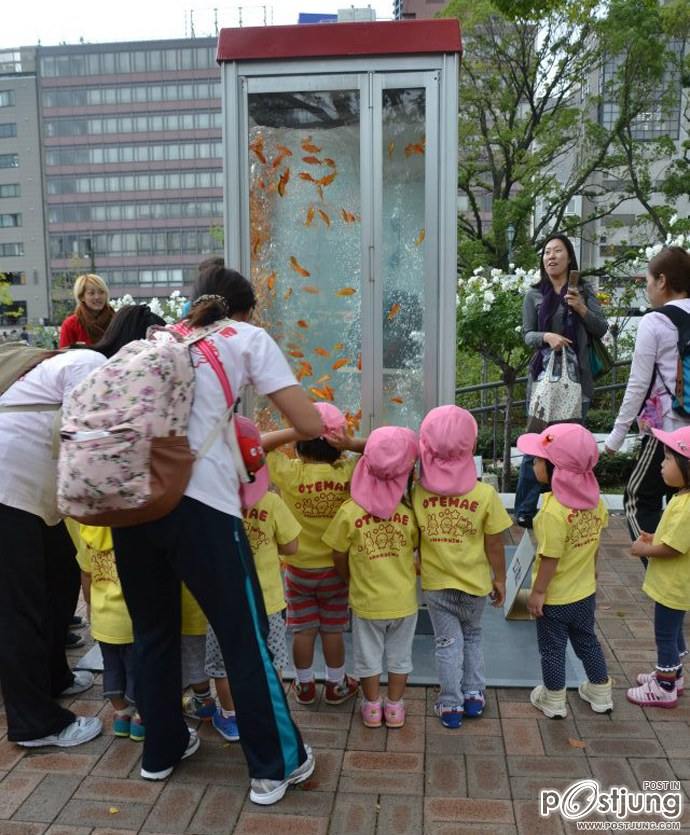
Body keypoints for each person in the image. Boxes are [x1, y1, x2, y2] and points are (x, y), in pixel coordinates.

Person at [111, 265, 323, 805]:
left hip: (134, 504)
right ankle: (275, 766)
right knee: (243, 636)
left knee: (153, 632)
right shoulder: (244, 337)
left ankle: (160, 753)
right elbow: (310, 422)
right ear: (245, 310)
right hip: (201, 506)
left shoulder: (159, 339)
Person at [0, 304, 160, 748]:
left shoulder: (78, 361)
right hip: (9, 488)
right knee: (21, 607)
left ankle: (52, 674)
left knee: (61, 577)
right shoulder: (92, 363)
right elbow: (90, 439)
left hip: (30, 491)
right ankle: (33, 722)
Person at [414, 405, 512, 729]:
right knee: (472, 637)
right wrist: (500, 579)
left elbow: (414, 536)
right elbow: (495, 544)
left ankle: (450, 704)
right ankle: (473, 695)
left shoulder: (418, 493)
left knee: (446, 643)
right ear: (471, 447)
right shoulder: (485, 494)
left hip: (437, 585)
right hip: (475, 586)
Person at [262, 403, 366, 707]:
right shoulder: (347, 472)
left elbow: (258, 446)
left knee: (303, 631)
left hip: (297, 570)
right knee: (333, 630)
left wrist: (296, 428)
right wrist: (350, 444)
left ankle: (305, 686)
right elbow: (383, 447)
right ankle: (335, 685)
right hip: (336, 569)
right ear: (337, 446)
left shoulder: (290, 473)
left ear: (300, 443)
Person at [205, 429, 301, 742]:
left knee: (223, 665)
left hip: (220, 601)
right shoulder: (271, 502)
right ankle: (272, 712)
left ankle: (231, 718)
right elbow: (291, 547)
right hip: (268, 603)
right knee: (270, 661)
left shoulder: (209, 501)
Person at [324, 426, 419, 729]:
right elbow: (416, 546)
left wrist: (348, 578)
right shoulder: (409, 512)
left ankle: (372, 708)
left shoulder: (349, 512)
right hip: (403, 601)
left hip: (365, 600)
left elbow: (337, 554)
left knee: (368, 657)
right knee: (400, 657)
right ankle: (394, 708)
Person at [517, 423, 613, 719]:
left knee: (553, 649)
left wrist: (538, 593)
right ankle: (600, 692)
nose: (533, 464)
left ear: (555, 468)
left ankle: (554, 700)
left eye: (538, 459)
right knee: (587, 641)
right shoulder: (596, 502)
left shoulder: (551, 511)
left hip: (555, 598)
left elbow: (549, 559)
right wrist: (593, 572)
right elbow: (594, 544)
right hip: (585, 592)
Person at [515, 233, 608, 528]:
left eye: (557, 251)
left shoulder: (584, 291)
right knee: (535, 443)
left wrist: (580, 307)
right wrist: (547, 337)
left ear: (569, 257)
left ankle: (567, 504)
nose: (550, 257)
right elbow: (526, 334)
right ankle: (526, 509)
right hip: (543, 380)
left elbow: (601, 327)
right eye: (546, 253)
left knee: (569, 444)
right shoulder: (534, 294)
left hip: (577, 379)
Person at [605, 246, 690, 546]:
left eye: (648, 280)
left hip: (666, 431)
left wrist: (615, 438)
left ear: (663, 280)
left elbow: (638, 386)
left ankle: (664, 580)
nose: (648, 287)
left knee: (638, 500)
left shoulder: (655, 322)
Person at [627, 426, 690, 708]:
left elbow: (673, 548)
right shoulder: (681, 499)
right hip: (675, 585)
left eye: (667, 460)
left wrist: (646, 548)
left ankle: (664, 686)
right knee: (674, 631)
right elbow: (677, 537)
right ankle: (674, 675)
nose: (661, 465)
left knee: (664, 634)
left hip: (673, 585)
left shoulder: (686, 506)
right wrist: (655, 536)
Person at [59, 273, 114, 348]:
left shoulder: (117, 320)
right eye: (91, 293)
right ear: (81, 297)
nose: (97, 297)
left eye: (101, 292)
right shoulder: (71, 325)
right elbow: (64, 356)